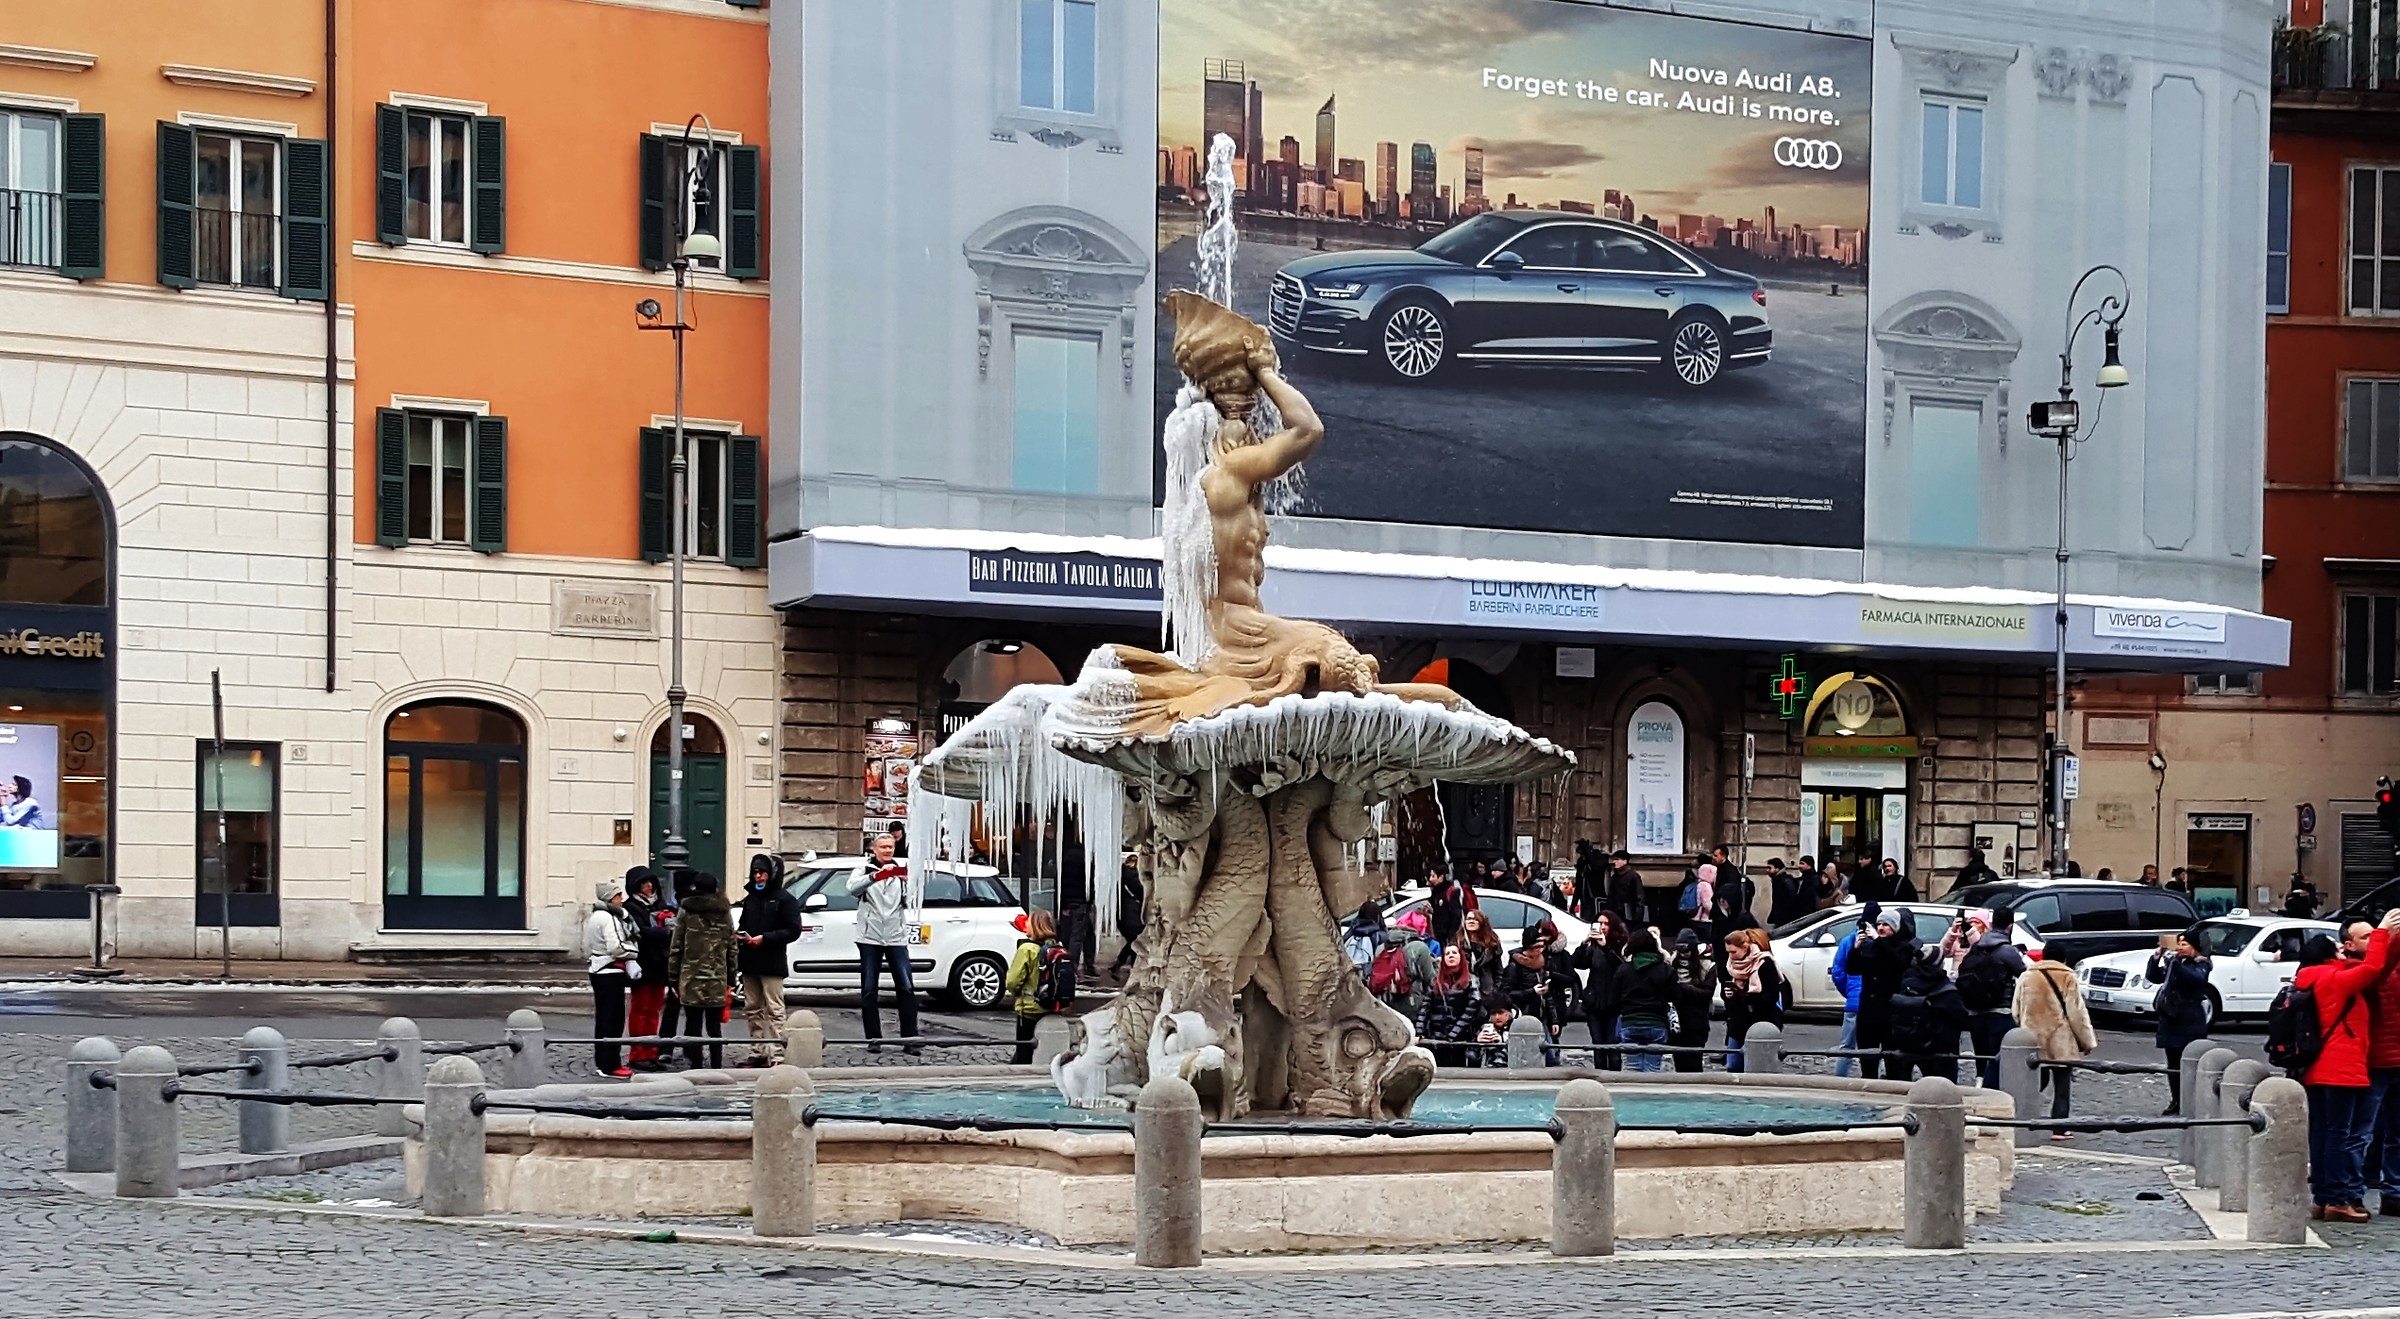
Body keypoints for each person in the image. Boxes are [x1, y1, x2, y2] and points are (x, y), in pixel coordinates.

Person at [2294, 912, 2400, 1220]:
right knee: (2345, 1135)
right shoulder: (2341, 977)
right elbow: (2376, 967)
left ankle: (2328, 1198)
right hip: (2347, 1068)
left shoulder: (2324, 977)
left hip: (2331, 1069)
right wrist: (2384, 933)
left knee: (2330, 1134)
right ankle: (2341, 1198)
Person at [847, 833, 921, 1052]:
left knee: (906, 987)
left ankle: (910, 1040)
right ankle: (874, 1039)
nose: (888, 850)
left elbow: (911, 902)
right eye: (883, 847)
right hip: (870, 937)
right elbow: (851, 889)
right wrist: (875, 877)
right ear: (874, 850)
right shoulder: (864, 870)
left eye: (891, 847)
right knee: (869, 989)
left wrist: (909, 885)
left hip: (896, 937)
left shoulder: (901, 871)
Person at [2014, 949, 2098, 1140]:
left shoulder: (2027, 976)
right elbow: (2077, 1013)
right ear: (2064, 958)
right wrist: (2087, 1041)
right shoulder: (2067, 977)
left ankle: (2019, 1119)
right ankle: (2059, 1128)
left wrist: (2023, 1028)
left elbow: (2016, 1009)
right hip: (2060, 1040)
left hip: (2032, 1038)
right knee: (2062, 1086)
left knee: (2034, 1083)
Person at [735, 852, 803, 1066]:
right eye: (755, 873)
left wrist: (765, 939)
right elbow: (744, 924)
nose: (758, 877)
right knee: (752, 1008)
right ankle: (757, 1051)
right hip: (750, 959)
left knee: (774, 1009)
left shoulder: (785, 899)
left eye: (762, 873)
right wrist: (741, 936)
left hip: (772, 961)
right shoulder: (751, 898)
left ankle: (777, 1054)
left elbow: (793, 930)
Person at [666, 871, 736, 1070]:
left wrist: (673, 978)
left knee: (693, 1025)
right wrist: (731, 977)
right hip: (716, 976)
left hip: (691, 977)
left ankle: (696, 1065)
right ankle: (716, 1066)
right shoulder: (724, 912)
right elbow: (732, 947)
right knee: (714, 1027)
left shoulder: (687, 911)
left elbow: (676, 946)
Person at [1955, 911, 2027, 1089]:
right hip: (2000, 1011)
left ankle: (1980, 1085)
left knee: (1981, 1056)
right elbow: (2024, 975)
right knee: (1997, 1059)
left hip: (1974, 1011)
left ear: (1992, 924)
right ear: (2010, 927)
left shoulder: (1977, 946)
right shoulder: (2007, 951)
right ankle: (1992, 1097)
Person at [2146, 930, 2214, 1115]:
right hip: (2171, 1018)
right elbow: (2154, 977)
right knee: (2173, 1065)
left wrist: (2174, 963)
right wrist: (2155, 959)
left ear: (2194, 948)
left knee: (2189, 1063)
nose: (2180, 948)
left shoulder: (2202, 964)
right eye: (2179, 945)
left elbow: (2193, 979)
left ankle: (2190, 1101)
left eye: (2184, 945)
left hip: (2189, 1019)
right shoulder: (2178, 962)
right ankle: (2176, 1100)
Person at [1852, 907, 1920, 1081]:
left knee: (1893, 1062)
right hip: (1868, 1012)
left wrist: (1877, 940)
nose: (1881, 928)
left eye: (1886, 925)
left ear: (1895, 928)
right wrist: (1856, 948)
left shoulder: (1903, 947)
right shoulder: (1871, 947)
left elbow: (1898, 964)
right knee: (1867, 1059)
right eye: (1879, 924)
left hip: (1890, 1013)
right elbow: (1852, 969)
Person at [1885, 944, 1970, 1082]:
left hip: (1908, 1044)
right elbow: (1962, 1018)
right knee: (1944, 1089)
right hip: (1940, 1049)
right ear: (1940, 964)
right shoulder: (1946, 990)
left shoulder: (1907, 983)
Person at [583, 877, 639, 1078]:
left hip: (599, 971)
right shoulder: (608, 918)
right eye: (617, 896)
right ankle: (610, 1064)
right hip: (610, 971)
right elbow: (616, 946)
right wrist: (633, 952)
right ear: (609, 898)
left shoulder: (595, 916)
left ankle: (603, 1062)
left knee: (604, 1019)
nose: (621, 899)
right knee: (613, 1020)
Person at [623, 869, 675, 1072]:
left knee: (654, 1010)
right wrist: (664, 931)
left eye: (651, 883)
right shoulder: (632, 907)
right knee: (640, 1010)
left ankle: (651, 1052)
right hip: (643, 965)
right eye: (644, 884)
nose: (649, 887)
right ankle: (637, 1053)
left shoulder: (659, 905)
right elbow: (640, 932)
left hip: (659, 966)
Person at [2365, 939, 2400, 1217]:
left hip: (2381, 1058)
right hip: (2377, 1060)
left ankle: (2391, 1191)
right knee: (2366, 1131)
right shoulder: (2376, 972)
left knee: (2387, 1132)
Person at [1612, 926, 1675, 1073]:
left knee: (1632, 1069)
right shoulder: (1664, 969)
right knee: (1652, 1070)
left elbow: (1614, 998)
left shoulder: (1624, 970)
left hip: (1630, 1022)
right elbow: (1675, 996)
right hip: (1656, 1023)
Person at [1722, 928, 1785, 1073]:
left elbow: (1772, 995)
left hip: (1761, 1020)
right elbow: (1728, 993)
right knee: (1732, 1065)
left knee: (1757, 1068)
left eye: (1733, 952)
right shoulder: (1732, 965)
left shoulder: (1764, 963)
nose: (1731, 956)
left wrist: (1745, 997)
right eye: (1728, 952)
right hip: (1738, 1022)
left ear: (1745, 948)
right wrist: (1729, 994)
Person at [1416, 945, 1487, 1068]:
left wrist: (1454, 1033)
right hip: (1436, 1035)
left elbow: (1472, 1008)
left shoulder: (1471, 980)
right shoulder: (1435, 981)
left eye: (1454, 953)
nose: (1451, 956)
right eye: (1447, 954)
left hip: (1461, 1037)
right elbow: (1425, 1007)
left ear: (1461, 957)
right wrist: (1419, 1031)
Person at [1004, 910, 1060, 1064]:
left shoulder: (1027, 949)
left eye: (1029, 921)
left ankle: (1020, 1080)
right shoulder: (1057, 947)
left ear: (1036, 925)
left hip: (1029, 1008)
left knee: (1024, 1051)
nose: (1026, 924)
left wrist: (1016, 993)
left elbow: (1012, 981)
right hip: (1052, 1006)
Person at [1573, 912, 1627, 1070]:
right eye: (1599, 923)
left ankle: (1615, 1076)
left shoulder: (1619, 944)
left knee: (1612, 1043)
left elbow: (1621, 968)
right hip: (1594, 1002)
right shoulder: (1593, 947)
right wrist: (1584, 944)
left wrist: (1606, 948)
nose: (1602, 927)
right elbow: (1577, 963)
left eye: (1606, 923)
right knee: (1598, 1043)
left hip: (1613, 1003)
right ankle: (1600, 1075)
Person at [1667, 928, 1719, 1075]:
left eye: (1687, 951)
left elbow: (1707, 993)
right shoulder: (1671, 965)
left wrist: (1684, 988)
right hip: (1677, 1022)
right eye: (1681, 951)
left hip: (1697, 1021)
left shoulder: (1707, 966)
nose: (1683, 955)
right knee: (1679, 1061)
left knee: (1694, 1062)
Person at [1371, 912, 1438, 1020]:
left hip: (1385, 1003)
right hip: (1411, 1004)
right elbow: (1430, 980)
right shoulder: (1419, 947)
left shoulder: (1381, 948)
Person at [1828, 911, 1870, 1078]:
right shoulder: (1880, 943)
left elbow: (1838, 972)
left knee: (1846, 1047)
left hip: (1853, 1002)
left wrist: (1849, 992)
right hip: (1869, 1003)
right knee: (1873, 1047)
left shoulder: (1848, 941)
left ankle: (1839, 1080)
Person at [1110, 856, 1145, 981]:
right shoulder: (1133, 877)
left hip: (1122, 915)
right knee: (1136, 941)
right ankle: (1131, 968)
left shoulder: (1119, 876)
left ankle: (1119, 965)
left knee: (1133, 941)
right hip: (1132, 914)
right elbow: (1142, 892)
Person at [1460, 908, 1506, 998]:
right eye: (1468, 919)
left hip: (1486, 991)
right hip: (1464, 991)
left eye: (1475, 919)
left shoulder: (1492, 946)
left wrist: (1495, 989)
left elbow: (1498, 972)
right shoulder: (1458, 943)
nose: (1471, 921)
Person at [1058, 876, 1098, 978]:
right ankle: (1072, 968)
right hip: (1081, 903)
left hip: (1074, 903)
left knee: (1087, 935)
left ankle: (1088, 966)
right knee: (1077, 937)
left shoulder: (1066, 863)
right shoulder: (1082, 863)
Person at [1342, 898, 1387, 977]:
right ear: (1378, 916)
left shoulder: (1352, 931)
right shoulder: (1379, 936)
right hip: (1370, 976)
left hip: (1350, 973)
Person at [1605, 850, 1648, 928]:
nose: (1614, 862)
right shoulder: (1615, 876)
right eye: (1614, 859)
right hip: (1615, 913)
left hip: (1628, 914)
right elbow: (1611, 896)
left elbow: (1639, 897)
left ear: (1625, 861)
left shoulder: (1633, 876)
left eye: (1617, 859)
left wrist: (1637, 917)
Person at [1679, 861, 1716, 949]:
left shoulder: (1698, 883)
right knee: (1705, 943)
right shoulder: (1705, 886)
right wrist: (1714, 913)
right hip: (1703, 919)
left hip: (1694, 917)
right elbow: (1707, 904)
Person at [1768, 856, 1813, 928]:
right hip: (1784, 916)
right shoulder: (1778, 880)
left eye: (1770, 868)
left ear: (1777, 869)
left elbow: (1793, 897)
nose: (1799, 866)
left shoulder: (1785, 880)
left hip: (1786, 917)